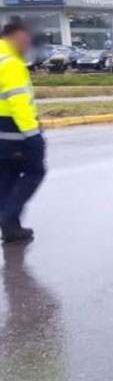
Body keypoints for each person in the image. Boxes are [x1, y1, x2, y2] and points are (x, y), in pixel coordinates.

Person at [0, 23, 45, 243]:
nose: (28, 45)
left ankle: (11, 227)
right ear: (15, 36)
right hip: (14, 131)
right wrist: (33, 135)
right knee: (35, 171)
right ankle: (8, 217)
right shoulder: (11, 64)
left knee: (6, 176)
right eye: (26, 39)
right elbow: (19, 102)